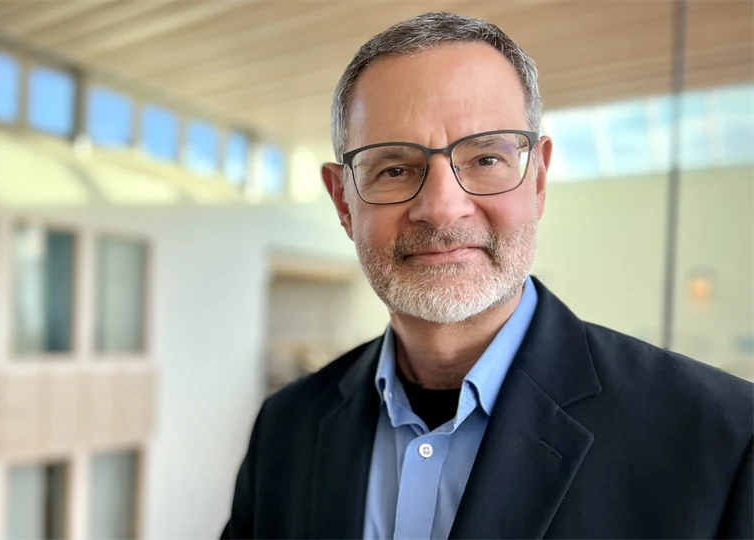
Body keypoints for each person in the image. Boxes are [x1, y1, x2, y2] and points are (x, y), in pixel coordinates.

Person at [220, 11, 754, 540]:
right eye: (395, 168)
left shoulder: (721, 441)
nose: (441, 208)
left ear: (538, 180)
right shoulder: (286, 429)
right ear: (343, 202)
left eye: (486, 159)